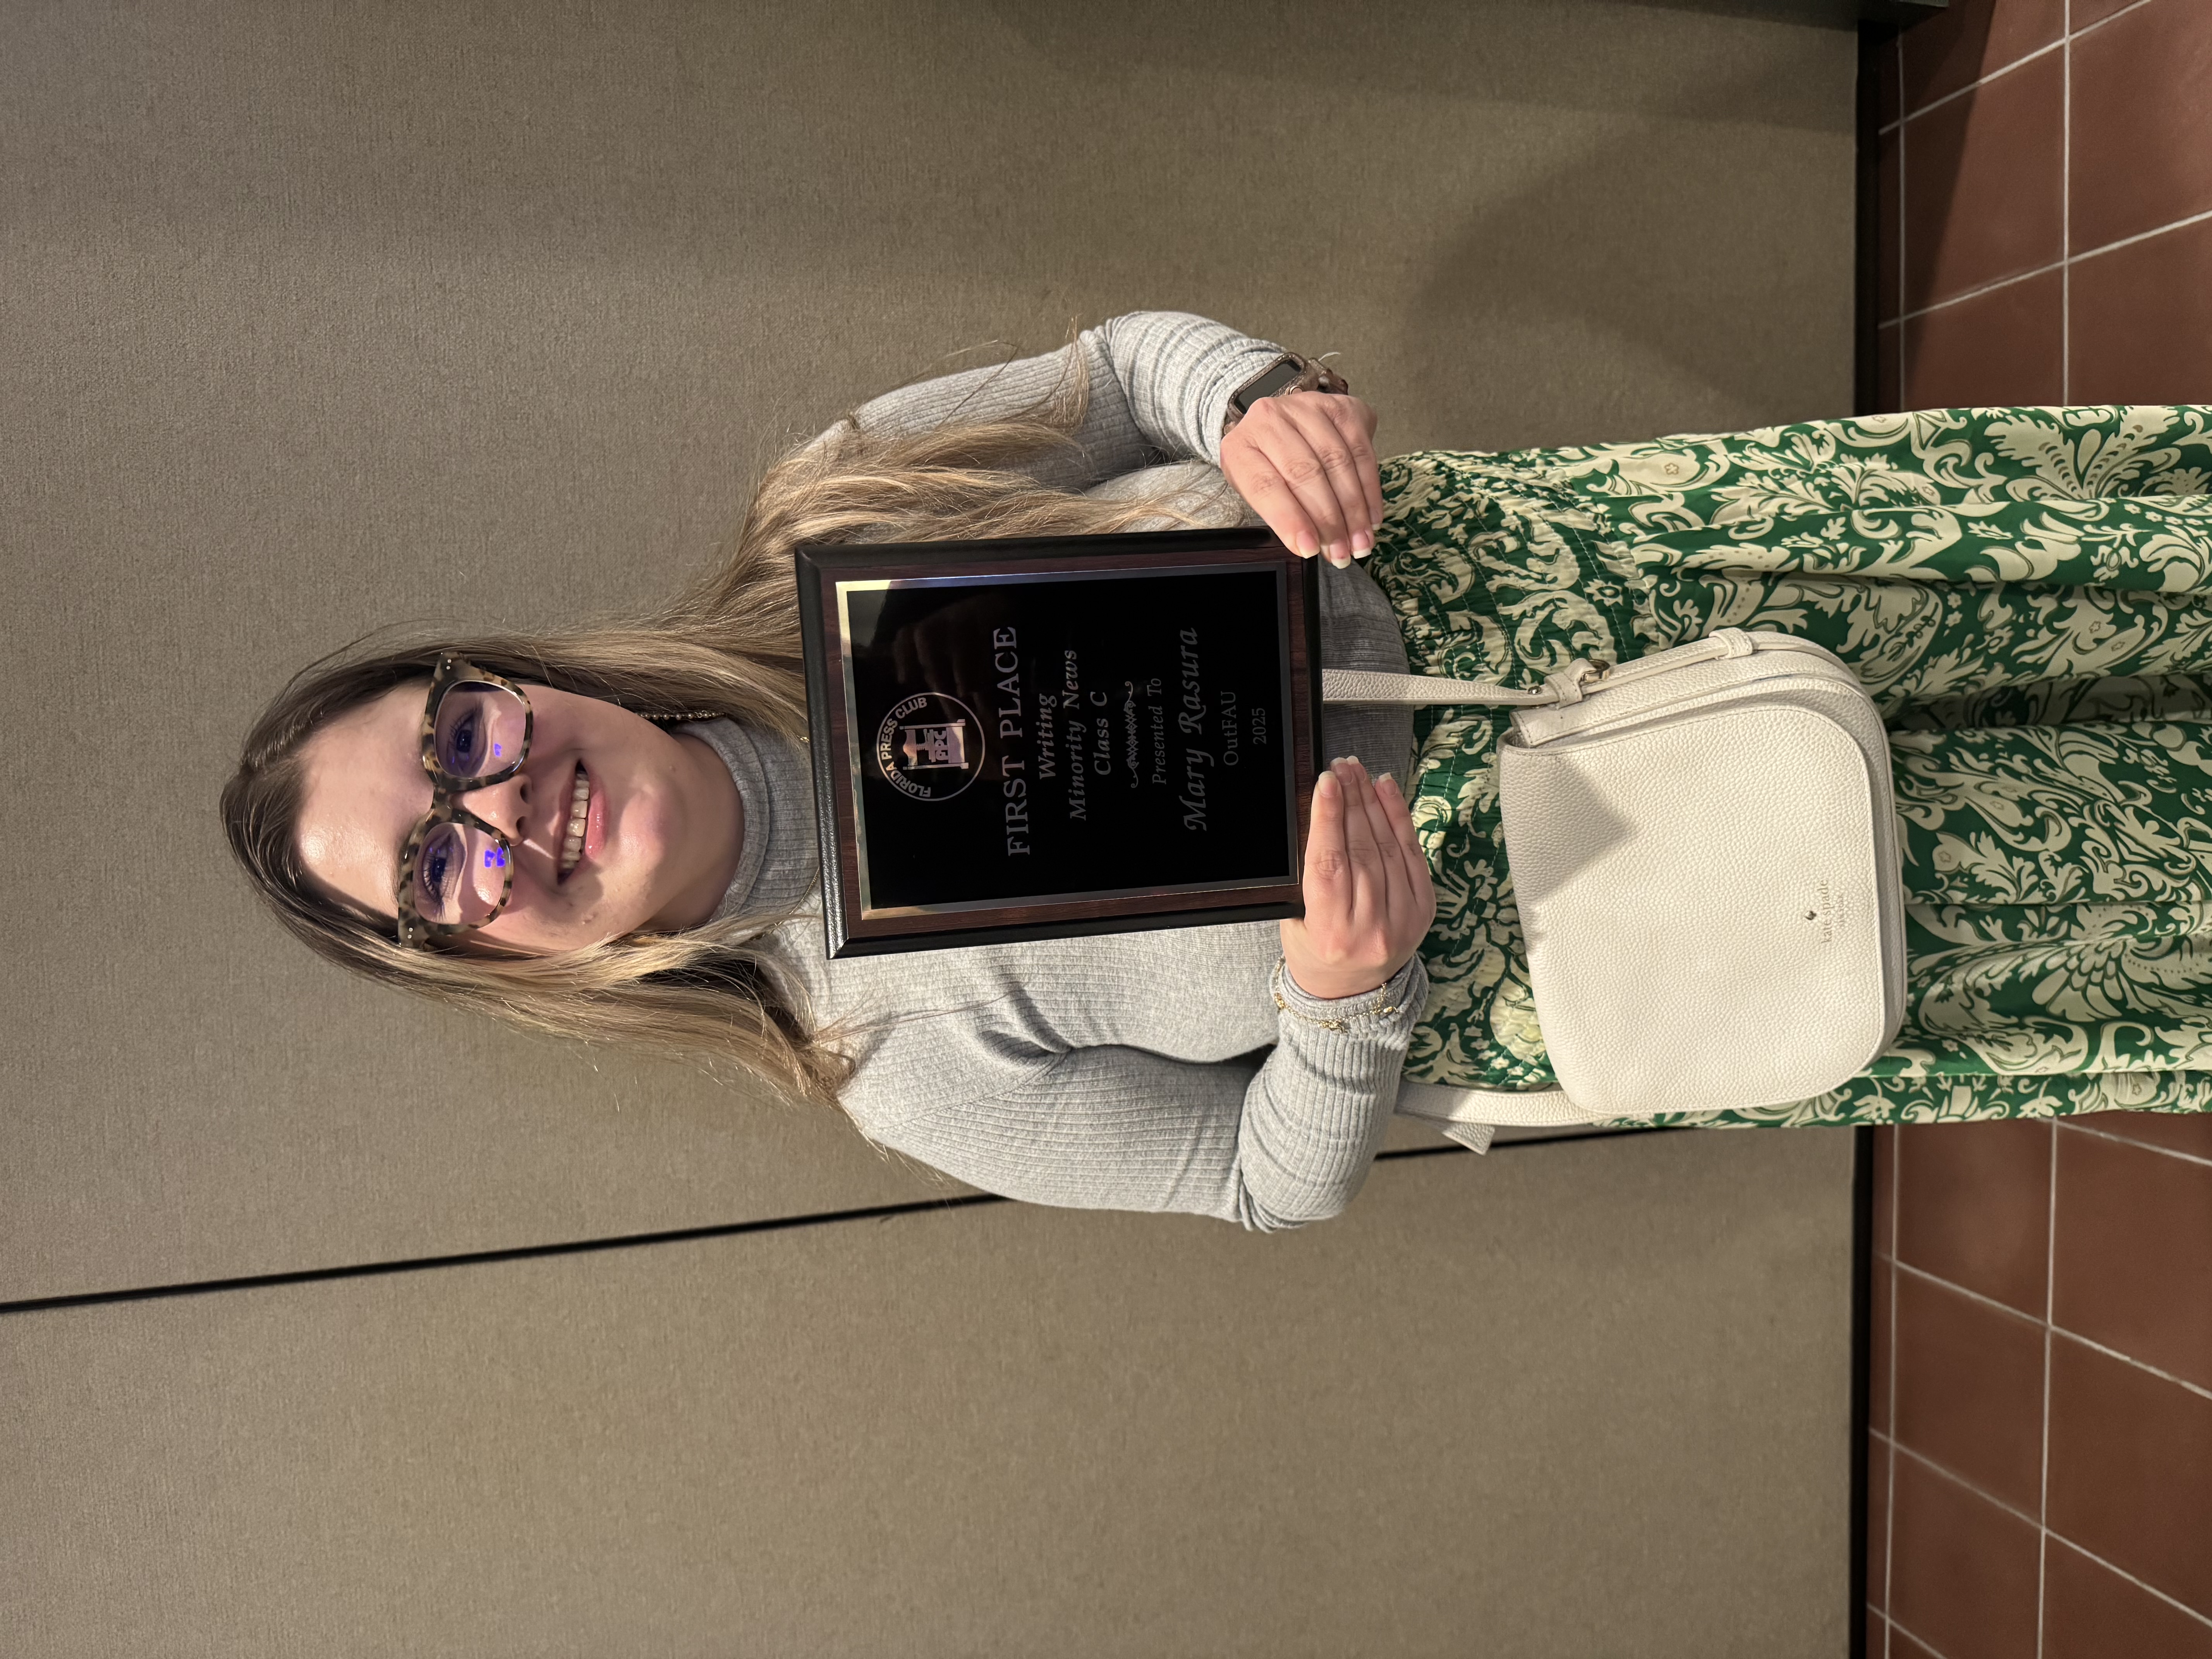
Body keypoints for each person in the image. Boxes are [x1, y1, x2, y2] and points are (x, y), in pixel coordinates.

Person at [223, 312, 2212, 1230]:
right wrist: (1346, 1008)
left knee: (2140, 570)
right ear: (494, 963)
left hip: (1630, 569)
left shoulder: (843, 509)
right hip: (1644, 893)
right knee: (2163, 881)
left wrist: (1254, 404)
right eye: (440, 874)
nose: (502, 816)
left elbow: (1117, 371)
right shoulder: (902, 1070)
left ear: (508, 683)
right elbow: (1263, 1183)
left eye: (456, 745)